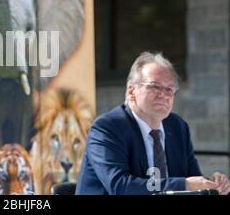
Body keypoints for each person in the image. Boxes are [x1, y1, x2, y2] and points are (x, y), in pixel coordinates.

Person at [76, 51, 230, 195]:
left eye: (170, 89)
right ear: (131, 91)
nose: (163, 95)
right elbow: (120, 186)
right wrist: (184, 185)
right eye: (155, 87)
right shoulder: (107, 128)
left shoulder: (177, 127)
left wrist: (211, 183)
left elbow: (192, 178)